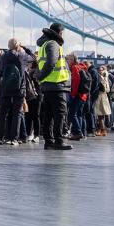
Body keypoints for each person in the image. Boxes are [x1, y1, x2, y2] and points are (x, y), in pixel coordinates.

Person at [36, 22, 71, 151]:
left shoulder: (44, 44)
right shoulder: (53, 44)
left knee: (49, 115)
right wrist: (41, 76)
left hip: (48, 86)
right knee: (60, 114)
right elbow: (51, 62)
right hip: (57, 85)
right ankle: (58, 140)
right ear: (59, 33)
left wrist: (40, 77)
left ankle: (49, 141)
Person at [0, 43, 25, 145]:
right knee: (16, 113)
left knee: (3, 113)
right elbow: (22, 72)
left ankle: (0, 137)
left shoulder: (3, 57)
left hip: (6, 88)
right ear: (17, 46)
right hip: (18, 88)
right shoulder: (21, 55)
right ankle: (14, 138)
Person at [66, 54, 87, 141]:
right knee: (79, 114)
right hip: (83, 95)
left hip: (77, 95)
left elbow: (76, 82)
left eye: (69, 59)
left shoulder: (75, 68)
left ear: (73, 60)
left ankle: (78, 132)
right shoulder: (82, 67)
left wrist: (73, 94)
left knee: (72, 114)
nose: (67, 61)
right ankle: (80, 132)